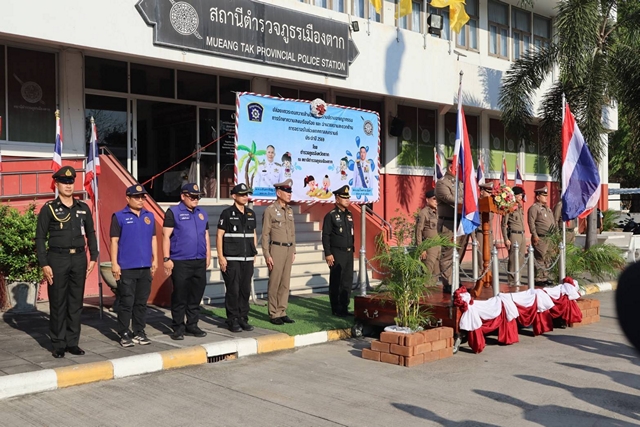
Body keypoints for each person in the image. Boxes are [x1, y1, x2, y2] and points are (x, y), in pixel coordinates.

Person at [35, 166, 98, 358]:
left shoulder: (83, 208)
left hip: (78, 258)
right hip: (57, 259)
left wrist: (94, 256)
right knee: (58, 302)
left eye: (71, 182)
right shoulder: (49, 209)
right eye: (64, 182)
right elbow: (40, 237)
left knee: (75, 302)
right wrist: (44, 263)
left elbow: (91, 233)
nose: (68, 186)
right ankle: (58, 343)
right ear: (57, 184)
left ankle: (72, 342)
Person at [110, 185, 157, 347]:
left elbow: (153, 239)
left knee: (141, 302)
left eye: (143, 197)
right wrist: (114, 263)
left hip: (145, 267)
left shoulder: (149, 216)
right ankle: (124, 332)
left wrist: (155, 260)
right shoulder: (119, 216)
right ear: (128, 198)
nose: (140, 200)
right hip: (127, 267)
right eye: (137, 197)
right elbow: (114, 241)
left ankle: (139, 331)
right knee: (127, 302)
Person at [163, 183, 210, 340]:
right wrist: (166, 258)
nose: (196, 199)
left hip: (199, 260)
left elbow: (206, 235)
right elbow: (165, 236)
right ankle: (178, 327)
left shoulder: (202, 213)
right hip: (181, 261)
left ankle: (192, 325)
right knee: (180, 295)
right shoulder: (173, 212)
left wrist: (208, 254)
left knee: (196, 294)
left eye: (198, 197)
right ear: (183, 196)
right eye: (193, 197)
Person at [217, 183, 258, 332]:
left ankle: (243, 318)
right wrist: (221, 256)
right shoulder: (226, 213)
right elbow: (220, 235)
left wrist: (254, 252)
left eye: (246, 194)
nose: (245, 197)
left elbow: (253, 233)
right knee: (233, 290)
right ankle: (232, 319)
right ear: (234, 196)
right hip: (232, 258)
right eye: (242, 194)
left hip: (247, 259)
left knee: (245, 290)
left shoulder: (250, 213)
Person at [261, 179, 296, 325]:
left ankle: (282, 310)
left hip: (288, 249)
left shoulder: (289, 210)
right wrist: (267, 254)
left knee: (285, 282)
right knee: (275, 282)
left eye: (290, 191)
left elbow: (292, 232)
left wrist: (294, 250)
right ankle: (273, 313)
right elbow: (265, 234)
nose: (289, 194)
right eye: (286, 191)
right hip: (276, 248)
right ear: (278, 193)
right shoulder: (270, 210)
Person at [436, 157, 469, 293]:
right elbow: (451, 199)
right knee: (448, 254)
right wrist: (467, 201)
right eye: (458, 168)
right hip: (448, 223)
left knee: (459, 253)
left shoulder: (460, 183)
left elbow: (467, 197)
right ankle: (448, 283)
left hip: (461, 223)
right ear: (451, 167)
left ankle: (455, 279)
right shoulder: (442, 183)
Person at [322, 185, 355, 317]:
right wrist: (328, 253)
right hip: (337, 252)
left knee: (347, 281)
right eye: (344, 198)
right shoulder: (331, 216)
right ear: (337, 199)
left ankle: (344, 306)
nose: (347, 200)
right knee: (337, 281)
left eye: (348, 198)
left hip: (348, 252)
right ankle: (336, 308)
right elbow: (326, 235)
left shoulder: (349, 215)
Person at [527, 186, 555, 286]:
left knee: (547, 258)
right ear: (538, 197)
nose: (546, 197)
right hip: (540, 237)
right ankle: (539, 278)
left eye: (546, 195)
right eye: (543, 196)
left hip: (549, 237)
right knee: (540, 258)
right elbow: (531, 222)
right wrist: (534, 235)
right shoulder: (534, 208)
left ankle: (545, 277)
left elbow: (553, 223)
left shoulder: (547, 209)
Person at [501, 186, 526, 285]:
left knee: (521, 258)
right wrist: (506, 239)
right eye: (519, 195)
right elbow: (503, 225)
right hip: (514, 234)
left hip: (522, 234)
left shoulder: (519, 207)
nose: (521, 197)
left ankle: (518, 279)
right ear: (514, 196)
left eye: (521, 195)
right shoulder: (509, 207)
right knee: (513, 259)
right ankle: (511, 280)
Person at [415, 189, 440, 275]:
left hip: (439, 245)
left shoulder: (438, 213)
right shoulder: (423, 213)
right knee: (427, 272)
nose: (436, 201)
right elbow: (418, 232)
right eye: (434, 199)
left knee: (436, 273)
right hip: (429, 246)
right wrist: (421, 249)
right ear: (427, 200)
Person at [475, 183, 494, 274]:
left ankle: (488, 277)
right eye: (487, 192)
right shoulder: (477, 204)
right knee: (481, 258)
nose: (489, 194)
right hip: (480, 233)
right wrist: (474, 238)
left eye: (490, 192)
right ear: (482, 192)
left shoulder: (491, 204)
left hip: (489, 233)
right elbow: (472, 221)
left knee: (490, 257)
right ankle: (480, 277)